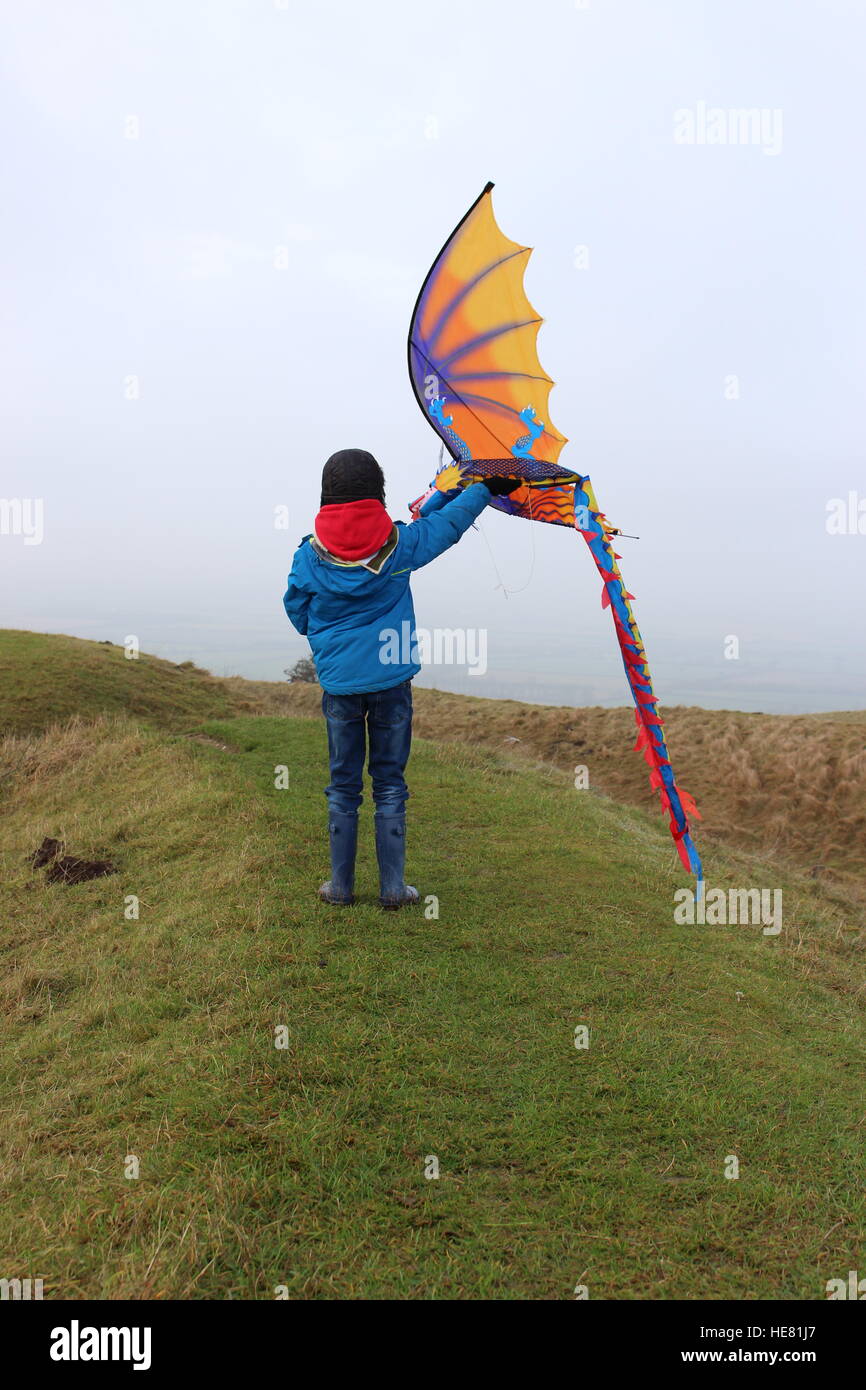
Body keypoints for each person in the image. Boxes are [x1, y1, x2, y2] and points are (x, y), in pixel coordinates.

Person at [283, 448, 520, 908]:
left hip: (339, 684)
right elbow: (446, 526)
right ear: (377, 491)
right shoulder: (401, 545)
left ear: (327, 493)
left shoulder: (307, 556)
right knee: (389, 781)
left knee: (343, 784)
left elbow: (297, 611)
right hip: (392, 680)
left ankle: (340, 888)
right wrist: (485, 489)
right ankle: (393, 889)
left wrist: (327, 640)